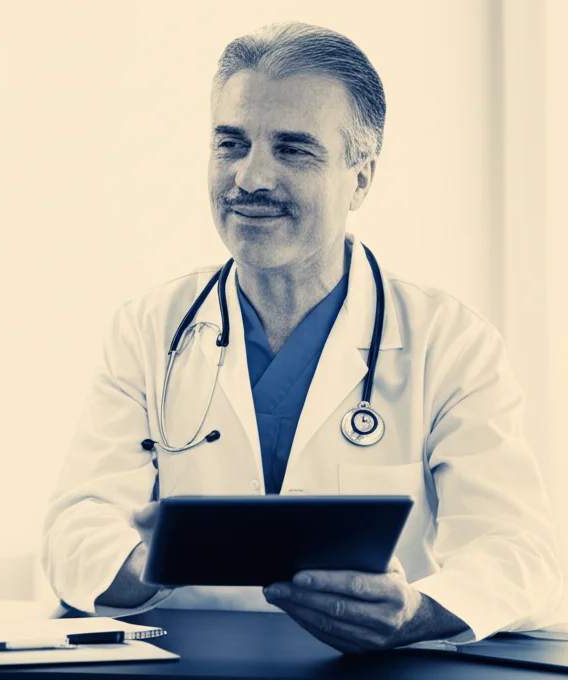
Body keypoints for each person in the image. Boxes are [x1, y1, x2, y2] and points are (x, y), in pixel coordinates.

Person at [41, 21, 562, 653]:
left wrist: (415, 613)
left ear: (360, 178)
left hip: (374, 670)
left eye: (293, 150)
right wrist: (159, 556)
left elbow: (517, 551)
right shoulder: (150, 329)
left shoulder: (449, 342)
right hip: (187, 662)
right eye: (231, 143)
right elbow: (75, 531)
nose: (250, 178)